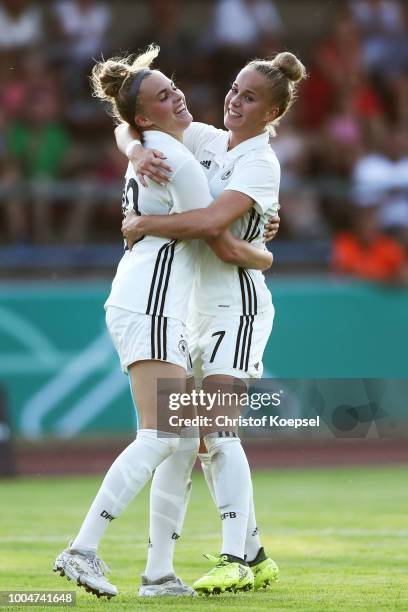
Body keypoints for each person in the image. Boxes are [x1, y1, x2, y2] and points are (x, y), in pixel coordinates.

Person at [53, 44, 273, 599]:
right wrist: (256, 240)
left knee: (177, 440)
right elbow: (208, 226)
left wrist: (146, 213)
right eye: (163, 96)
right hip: (152, 302)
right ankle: (83, 550)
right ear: (143, 116)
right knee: (164, 433)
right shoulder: (171, 154)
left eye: (174, 87)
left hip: (156, 302)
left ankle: (158, 575)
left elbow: (130, 140)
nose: (179, 96)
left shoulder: (163, 143)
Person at [117, 50, 306, 594]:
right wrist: (133, 147)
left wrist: (142, 222)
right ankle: (256, 554)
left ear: (271, 114)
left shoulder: (259, 163)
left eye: (249, 97)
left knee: (219, 433)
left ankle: (234, 560)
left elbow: (211, 225)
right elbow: (130, 124)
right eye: (234, 89)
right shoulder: (206, 140)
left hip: (237, 308)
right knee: (200, 441)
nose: (234, 100)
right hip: (195, 310)